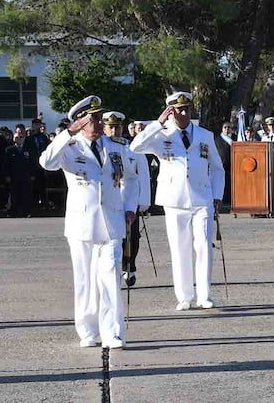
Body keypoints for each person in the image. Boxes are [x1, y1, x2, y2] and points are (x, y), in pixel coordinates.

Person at [40, 97, 137, 349]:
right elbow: (46, 163)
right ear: (80, 121)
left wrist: (129, 206)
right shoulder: (69, 147)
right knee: (84, 279)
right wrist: (66, 133)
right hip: (81, 223)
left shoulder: (116, 146)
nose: (97, 122)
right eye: (91, 118)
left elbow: (131, 178)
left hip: (112, 221)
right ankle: (87, 330)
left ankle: (113, 332)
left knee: (110, 277)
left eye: (98, 117)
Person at [131, 91, 225, 310]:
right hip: (174, 199)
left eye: (187, 109)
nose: (184, 113)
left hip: (202, 198)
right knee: (179, 247)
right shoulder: (161, 135)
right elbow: (135, 147)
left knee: (203, 245)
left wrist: (217, 195)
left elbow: (218, 169)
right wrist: (157, 123)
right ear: (170, 111)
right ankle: (184, 296)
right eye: (179, 110)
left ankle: (204, 295)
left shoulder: (204, 135)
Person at [103, 111, 152, 287]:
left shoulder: (131, 147)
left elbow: (143, 176)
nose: (115, 131)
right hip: (110, 200)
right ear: (105, 128)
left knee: (133, 237)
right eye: (111, 127)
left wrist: (143, 202)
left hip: (130, 200)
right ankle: (115, 270)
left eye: (118, 127)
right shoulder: (101, 147)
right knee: (114, 239)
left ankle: (129, 266)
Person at [3, 131, 34, 217]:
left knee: (26, 194)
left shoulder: (28, 149)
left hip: (25, 175)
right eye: (16, 137)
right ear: (13, 139)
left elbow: (32, 162)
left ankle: (26, 212)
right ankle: (14, 212)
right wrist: (7, 175)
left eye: (21, 137)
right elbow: (6, 164)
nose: (19, 139)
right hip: (14, 176)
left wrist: (32, 174)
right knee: (14, 194)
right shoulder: (9, 150)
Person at [214, 121, 234, 204]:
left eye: (229, 127)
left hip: (232, 166)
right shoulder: (217, 139)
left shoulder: (235, 138)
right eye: (225, 127)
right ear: (222, 129)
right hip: (221, 165)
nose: (227, 129)